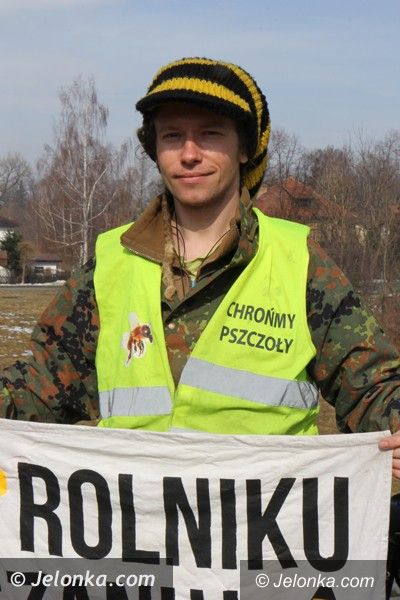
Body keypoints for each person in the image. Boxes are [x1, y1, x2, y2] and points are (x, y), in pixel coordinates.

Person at [0, 57, 400, 476]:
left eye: (210, 134)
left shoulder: (298, 261)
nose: (189, 154)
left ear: (244, 148)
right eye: (173, 136)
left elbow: (372, 383)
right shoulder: (111, 263)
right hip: (137, 514)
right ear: (155, 150)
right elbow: (43, 384)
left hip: (263, 515)